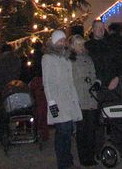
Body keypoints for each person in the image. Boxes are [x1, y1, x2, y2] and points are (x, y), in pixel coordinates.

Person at [43, 30, 82, 169]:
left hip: (69, 99)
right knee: (63, 131)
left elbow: (70, 81)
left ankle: (68, 159)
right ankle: (63, 162)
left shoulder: (66, 58)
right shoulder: (47, 58)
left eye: (63, 40)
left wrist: (75, 98)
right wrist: (51, 101)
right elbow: (47, 82)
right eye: (59, 40)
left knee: (68, 131)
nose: (62, 43)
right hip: (58, 100)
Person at [69, 34, 98, 167]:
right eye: (78, 45)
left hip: (91, 98)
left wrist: (96, 82)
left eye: (82, 44)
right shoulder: (70, 61)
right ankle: (83, 157)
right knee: (81, 130)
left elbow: (94, 73)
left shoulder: (88, 58)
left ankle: (91, 155)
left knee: (91, 129)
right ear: (73, 46)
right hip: (79, 98)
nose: (81, 47)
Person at [0, 43, 21, 142]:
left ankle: (2, 134)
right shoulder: (16, 59)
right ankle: (14, 130)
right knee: (14, 110)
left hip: (1, 89)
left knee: (2, 111)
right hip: (14, 88)